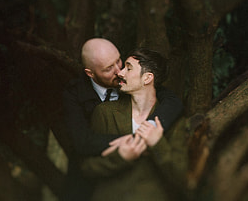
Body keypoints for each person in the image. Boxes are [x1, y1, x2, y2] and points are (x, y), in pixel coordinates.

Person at [61, 38, 183, 201]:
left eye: (119, 61)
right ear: (90, 73)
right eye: (108, 68)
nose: (119, 71)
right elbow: (82, 142)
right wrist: (134, 141)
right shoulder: (76, 96)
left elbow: (170, 99)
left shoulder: (143, 88)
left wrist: (152, 128)